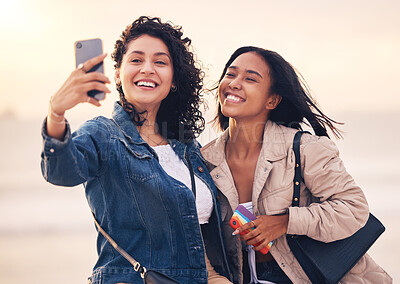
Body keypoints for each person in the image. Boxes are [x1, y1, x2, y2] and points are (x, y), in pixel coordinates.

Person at [41, 16, 232, 284]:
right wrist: (56, 113)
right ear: (118, 73)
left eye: (160, 62)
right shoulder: (103, 134)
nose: (148, 69)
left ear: (174, 79)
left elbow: (197, 234)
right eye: (136, 60)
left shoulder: (188, 147)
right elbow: (62, 171)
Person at [200, 46, 392, 283]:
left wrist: (285, 222)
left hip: (309, 275)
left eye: (250, 79)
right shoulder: (202, 161)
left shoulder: (305, 149)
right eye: (230, 74)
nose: (235, 83)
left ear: (272, 100)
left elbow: (354, 208)